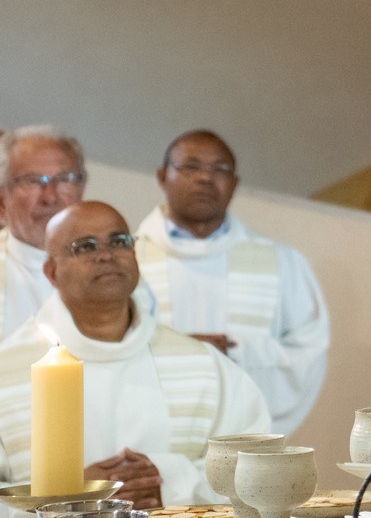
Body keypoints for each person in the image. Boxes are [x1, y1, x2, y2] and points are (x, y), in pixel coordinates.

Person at [0, 201, 270, 508]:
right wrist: (61, 497)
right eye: (85, 246)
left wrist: (172, 483)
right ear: (51, 272)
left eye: (119, 241)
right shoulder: (6, 371)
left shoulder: (206, 366)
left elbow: (259, 471)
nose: (106, 255)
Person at [135, 130, 329, 435]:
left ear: (234, 183)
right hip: (151, 438)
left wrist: (239, 352)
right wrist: (177, 351)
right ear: (162, 177)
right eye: (191, 167)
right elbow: (110, 349)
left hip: (244, 439)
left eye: (219, 169)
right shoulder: (126, 260)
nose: (205, 178)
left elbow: (309, 353)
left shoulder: (282, 262)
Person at [0, 126, 88, 339]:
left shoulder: (113, 264)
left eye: (64, 179)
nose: (50, 197)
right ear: (2, 201)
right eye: (33, 181)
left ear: (81, 189)